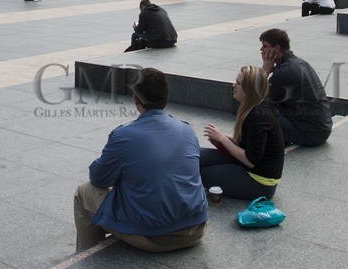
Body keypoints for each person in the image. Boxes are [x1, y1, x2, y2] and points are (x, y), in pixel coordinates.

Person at [73, 68, 207, 252]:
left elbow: (98, 178)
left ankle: (89, 259)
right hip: (196, 227)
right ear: (166, 97)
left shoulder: (123, 136)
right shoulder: (187, 130)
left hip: (156, 237)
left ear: (136, 99)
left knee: (84, 192)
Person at [201, 65, 286, 201]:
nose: (234, 85)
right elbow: (246, 143)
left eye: (239, 83)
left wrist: (223, 139)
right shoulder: (253, 107)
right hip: (247, 167)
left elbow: (251, 160)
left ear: (250, 89)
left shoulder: (259, 115)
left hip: (259, 182)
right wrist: (221, 138)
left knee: (199, 173)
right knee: (195, 156)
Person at [259, 28, 332, 149]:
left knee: (258, 110)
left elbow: (254, 94)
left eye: (265, 46)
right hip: (321, 128)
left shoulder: (285, 71)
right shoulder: (298, 62)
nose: (261, 50)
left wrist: (265, 69)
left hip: (311, 134)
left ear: (276, 48)